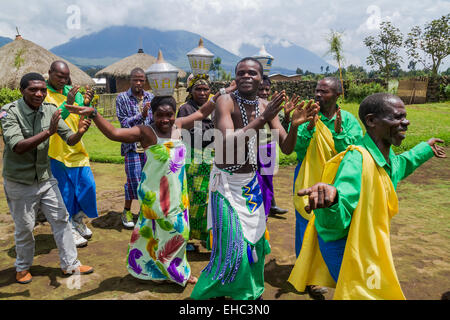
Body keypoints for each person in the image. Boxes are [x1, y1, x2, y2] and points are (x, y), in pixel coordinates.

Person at [288, 93, 446, 299]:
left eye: (404, 117)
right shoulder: (357, 159)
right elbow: (337, 217)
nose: (405, 122)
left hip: (365, 242)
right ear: (371, 121)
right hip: (345, 245)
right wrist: (332, 202)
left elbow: (403, 164)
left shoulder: (384, 157)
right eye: (397, 117)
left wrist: (426, 148)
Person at [65, 87, 229, 286]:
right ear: (152, 113)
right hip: (155, 193)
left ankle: (166, 269)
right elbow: (115, 133)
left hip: (178, 193)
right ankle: (169, 271)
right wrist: (95, 114)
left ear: (174, 114)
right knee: (166, 232)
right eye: (160, 115)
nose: (165, 119)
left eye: (169, 114)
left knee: (178, 232)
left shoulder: (178, 126)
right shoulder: (145, 132)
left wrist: (224, 90)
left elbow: (203, 112)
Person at [190, 57, 319, 300]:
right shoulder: (225, 101)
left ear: (261, 78)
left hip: (249, 182)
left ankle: (249, 291)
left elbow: (287, 148)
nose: (246, 76)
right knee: (231, 246)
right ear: (235, 77)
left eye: (252, 73)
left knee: (255, 243)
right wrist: (264, 118)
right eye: (241, 73)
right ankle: (217, 290)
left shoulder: (265, 105)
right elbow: (227, 140)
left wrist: (293, 126)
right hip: (225, 183)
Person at [1, 73, 94, 284]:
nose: (39, 93)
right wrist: (48, 132)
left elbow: (69, 139)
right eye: (33, 89)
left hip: (45, 177)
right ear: (22, 90)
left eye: (42, 90)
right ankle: (22, 267)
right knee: (25, 227)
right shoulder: (9, 112)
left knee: (61, 219)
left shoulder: (50, 110)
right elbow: (17, 146)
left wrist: (79, 132)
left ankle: (71, 265)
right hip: (19, 181)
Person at [291, 77, 363, 265]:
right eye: (317, 91)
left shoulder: (348, 120)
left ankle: (327, 270)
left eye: (324, 92)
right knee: (305, 223)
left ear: (338, 95)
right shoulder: (306, 116)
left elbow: (353, 155)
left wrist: (339, 134)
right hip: (307, 176)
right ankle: (304, 270)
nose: (318, 95)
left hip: (336, 180)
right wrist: (308, 127)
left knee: (331, 224)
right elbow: (297, 149)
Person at [176, 74, 235, 250]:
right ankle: (187, 238)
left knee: (211, 198)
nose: (202, 92)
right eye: (198, 89)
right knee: (195, 199)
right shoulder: (186, 109)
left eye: (205, 89)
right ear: (191, 91)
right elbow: (192, 136)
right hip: (194, 160)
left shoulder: (216, 108)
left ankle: (207, 237)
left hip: (212, 159)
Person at [46, 61, 98, 248]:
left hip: (77, 147)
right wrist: (68, 104)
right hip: (57, 151)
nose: (62, 80)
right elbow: (53, 120)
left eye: (65, 77)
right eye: (59, 76)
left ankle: (77, 220)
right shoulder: (43, 94)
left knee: (87, 187)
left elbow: (82, 116)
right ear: (50, 73)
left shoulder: (71, 91)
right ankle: (68, 228)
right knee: (65, 193)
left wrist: (86, 103)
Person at [116, 68, 154, 229]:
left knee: (150, 180)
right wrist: (141, 116)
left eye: (141, 80)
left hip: (149, 147)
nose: (138, 83)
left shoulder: (150, 97)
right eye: (135, 79)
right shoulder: (122, 98)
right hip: (132, 146)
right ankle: (127, 210)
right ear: (130, 80)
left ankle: (146, 212)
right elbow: (124, 123)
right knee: (133, 179)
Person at [257, 75, 288, 218]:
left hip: (268, 146)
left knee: (267, 180)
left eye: (266, 89)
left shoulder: (273, 107)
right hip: (252, 147)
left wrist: (287, 116)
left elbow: (282, 130)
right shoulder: (248, 105)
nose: (264, 92)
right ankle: (262, 209)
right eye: (260, 89)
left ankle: (269, 207)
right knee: (256, 180)